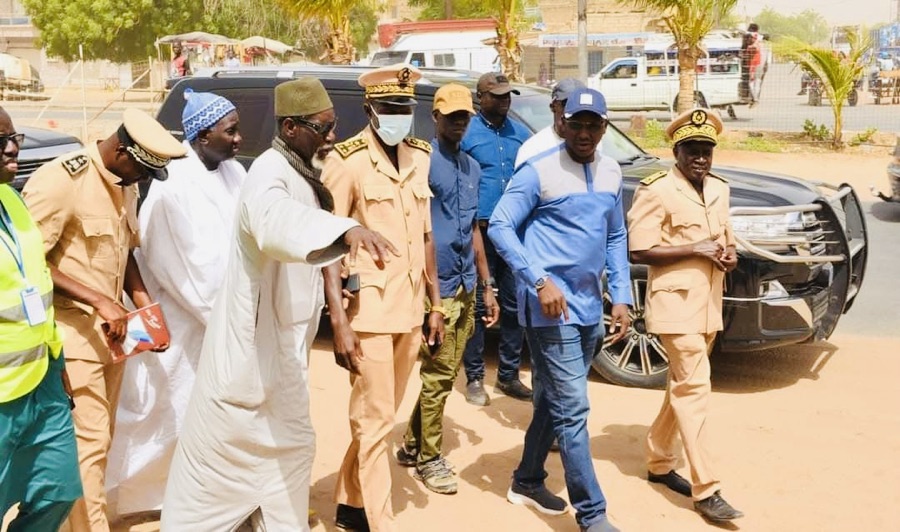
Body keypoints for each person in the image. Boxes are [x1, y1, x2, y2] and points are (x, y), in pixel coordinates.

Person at [160, 77, 395, 531]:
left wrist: (335, 308)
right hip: (246, 372)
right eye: (323, 128)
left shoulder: (300, 172)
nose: (333, 136)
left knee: (289, 460)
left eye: (334, 125)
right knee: (210, 493)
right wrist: (344, 230)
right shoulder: (269, 173)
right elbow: (277, 222)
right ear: (290, 128)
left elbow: (305, 235)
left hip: (280, 365)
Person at [21, 109, 185, 532]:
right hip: (69, 336)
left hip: (112, 338)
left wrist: (143, 305)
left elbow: (124, 250)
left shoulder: (124, 182)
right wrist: (98, 299)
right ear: (121, 150)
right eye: (142, 171)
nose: (142, 181)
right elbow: (25, 261)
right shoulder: (62, 181)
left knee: (99, 441)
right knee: (88, 445)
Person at [488, 88, 631, 532]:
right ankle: (593, 514)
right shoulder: (539, 170)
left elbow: (615, 236)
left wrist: (621, 294)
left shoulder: (611, 172)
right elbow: (500, 225)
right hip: (549, 309)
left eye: (594, 125)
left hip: (589, 306)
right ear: (563, 123)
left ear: (604, 127)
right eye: (577, 124)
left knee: (555, 401)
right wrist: (538, 279)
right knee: (573, 409)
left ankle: (527, 480)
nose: (584, 133)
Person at [105, 91, 246, 518]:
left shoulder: (235, 173)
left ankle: (188, 498)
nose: (239, 139)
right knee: (161, 415)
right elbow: (183, 270)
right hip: (180, 324)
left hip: (222, 318)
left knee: (208, 419)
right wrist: (227, 320)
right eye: (230, 131)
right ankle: (125, 499)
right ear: (202, 136)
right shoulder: (173, 188)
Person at [323, 63, 444, 532]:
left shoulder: (420, 156)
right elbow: (328, 241)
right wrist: (338, 318)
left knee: (380, 413)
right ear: (369, 109)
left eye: (404, 108)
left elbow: (426, 236)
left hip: (410, 308)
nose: (399, 116)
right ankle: (381, 519)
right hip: (368, 310)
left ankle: (350, 501)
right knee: (376, 421)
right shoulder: (347, 161)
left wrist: (435, 304)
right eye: (390, 108)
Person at [626, 108, 743, 523]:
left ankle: (659, 461)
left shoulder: (719, 188)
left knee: (681, 386)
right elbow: (639, 249)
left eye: (706, 150)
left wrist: (729, 255)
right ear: (676, 151)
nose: (700, 158)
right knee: (694, 388)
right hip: (673, 306)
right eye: (692, 150)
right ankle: (706, 489)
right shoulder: (657, 189)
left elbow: (725, 238)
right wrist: (695, 248)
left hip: (708, 305)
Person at [395, 83, 500, 495]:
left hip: (466, 284)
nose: (459, 123)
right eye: (451, 116)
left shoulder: (472, 167)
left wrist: (487, 284)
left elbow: (473, 229)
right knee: (438, 374)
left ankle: (412, 443)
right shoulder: (421, 162)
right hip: (434, 287)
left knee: (444, 371)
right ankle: (429, 458)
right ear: (435, 117)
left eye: (464, 117)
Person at [0, 107, 83, 531]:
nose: (11, 149)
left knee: (59, 492)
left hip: (42, 380)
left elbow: (36, 280)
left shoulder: (12, 199)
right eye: (0, 142)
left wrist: (57, 360)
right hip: (2, 395)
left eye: (14, 138)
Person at [460, 72, 532, 406]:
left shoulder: (521, 134)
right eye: (498, 95)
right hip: (479, 231)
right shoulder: (467, 133)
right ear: (481, 98)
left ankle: (508, 375)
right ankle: (475, 377)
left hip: (513, 230)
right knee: (477, 303)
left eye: (507, 95)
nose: (505, 101)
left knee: (515, 303)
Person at [515, 78, 585, 166]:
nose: (573, 110)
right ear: (553, 106)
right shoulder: (533, 149)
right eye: (566, 104)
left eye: (579, 106)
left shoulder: (592, 146)